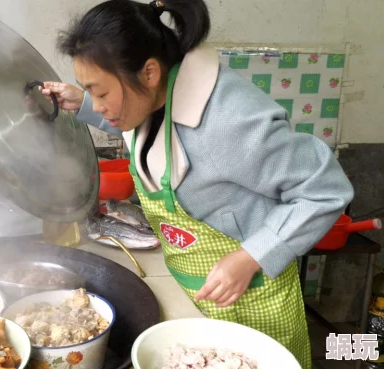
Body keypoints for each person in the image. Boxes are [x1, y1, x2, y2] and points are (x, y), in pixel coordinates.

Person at [39, 0, 354, 367]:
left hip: (254, 301)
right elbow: (159, 137)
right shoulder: (158, 96)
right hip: (196, 293)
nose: (99, 102)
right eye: (89, 90)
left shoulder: (229, 123)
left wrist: (251, 256)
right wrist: (86, 105)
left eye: (101, 92)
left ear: (150, 72)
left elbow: (326, 190)